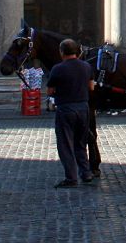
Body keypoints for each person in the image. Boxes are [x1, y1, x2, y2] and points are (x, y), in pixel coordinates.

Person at [47, 38, 96, 188]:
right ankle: (86, 173)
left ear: (61, 52)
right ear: (77, 51)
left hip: (65, 109)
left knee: (65, 144)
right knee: (81, 143)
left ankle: (71, 178)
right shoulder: (86, 66)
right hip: (83, 108)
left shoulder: (57, 68)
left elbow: (50, 90)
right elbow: (91, 87)